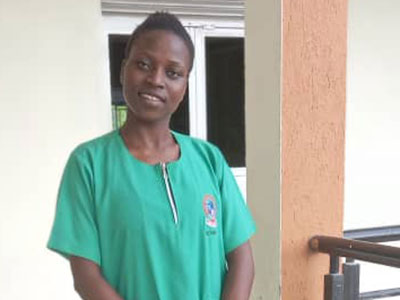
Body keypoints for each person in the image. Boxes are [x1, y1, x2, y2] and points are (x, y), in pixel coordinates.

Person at [48, 12, 256, 300]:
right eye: (144, 65)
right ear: (123, 70)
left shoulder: (209, 161)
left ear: (184, 86)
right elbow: (86, 277)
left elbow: (241, 259)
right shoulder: (89, 165)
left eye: (173, 73)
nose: (156, 80)